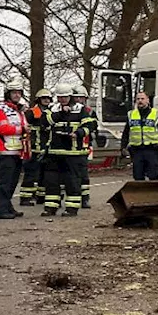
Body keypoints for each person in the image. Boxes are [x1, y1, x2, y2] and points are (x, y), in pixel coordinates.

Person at [42, 86, 90, 217]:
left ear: (70, 97)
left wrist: (79, 133)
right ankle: (51, 207)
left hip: (72, 153)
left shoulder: (80, 109)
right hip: (54, 152)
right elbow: (45, 122)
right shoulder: (52, 109)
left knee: (72, 182)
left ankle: (71, 208)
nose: (62, 99)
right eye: (60, 97)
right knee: (51, 181)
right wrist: (61, 113)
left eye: (65, 97)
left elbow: (90, 125)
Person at [0, 83, 28, 219]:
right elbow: (1, 128)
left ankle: (7, 206)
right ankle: (1, 209)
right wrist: (21, 130)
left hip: (17, 151)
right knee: (5, 182)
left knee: (13, 182)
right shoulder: (0, 110)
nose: (17, 95)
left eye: (19, 92)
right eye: (14, 93)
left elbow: (25, 126)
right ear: (8, 94)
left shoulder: (19, 111)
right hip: (4, 151)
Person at [121, 91, 158, 181]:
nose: (140, 101)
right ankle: (141, 195)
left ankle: (155, 194)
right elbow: (126, 132)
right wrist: (123, 147)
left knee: (153, 175)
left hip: (152, 149)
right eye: (138, 99)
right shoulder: (131, 114)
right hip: (137, 150)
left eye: (142, 99)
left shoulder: (156, 114)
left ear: (148, 100)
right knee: (138, 176)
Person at [20, 88, 53, 206]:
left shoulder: (51, 112)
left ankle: (41, 197)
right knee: (31, 173)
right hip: (33, 148)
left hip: (46, 148)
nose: (46, 100)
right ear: (38, 100)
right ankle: (25, 198)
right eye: (44, 98)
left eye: (48, 98)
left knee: (44, 174)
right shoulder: (31, 113)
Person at [71, 84, 97, 208]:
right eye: (76, 98)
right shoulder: (68, 111)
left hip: (85, 146)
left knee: (84, 174)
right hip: (70, 147)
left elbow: (94, 127)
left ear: (85, 99)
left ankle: (85, 198)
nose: (78, 100)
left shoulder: (90, 112)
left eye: (81, 98)